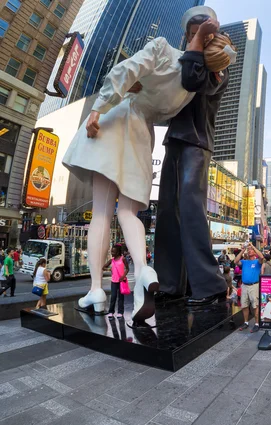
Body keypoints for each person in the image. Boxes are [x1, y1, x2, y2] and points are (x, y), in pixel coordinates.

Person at [62, 10, 218, 320]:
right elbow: (158, 106)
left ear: (188, 34)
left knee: (104, 212)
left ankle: (95, 289)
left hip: (117, 119)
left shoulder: (163, 47)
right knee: (128, 212)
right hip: (141, 134)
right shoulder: (190, 85)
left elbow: (127, 70)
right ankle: (145, 271)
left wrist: (99, 107)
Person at [153, 6, 233, 307]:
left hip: (197, 144)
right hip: (175, 141)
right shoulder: (183, 59)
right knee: (166, 213)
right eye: (192, 32)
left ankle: (210, 285)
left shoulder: (217, 67)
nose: (197, 36)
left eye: (204, 32)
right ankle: (171, 284)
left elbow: (192, 80)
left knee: (189, 207)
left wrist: (199, 42)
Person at [235, 244, 264, 332]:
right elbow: (236, 261)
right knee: (244, 305)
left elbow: (262, 257)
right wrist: (243, 250)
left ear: (255, 252)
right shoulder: (244, 262)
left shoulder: (257, 262)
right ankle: (246, 322)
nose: (250, 251)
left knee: (255, 305)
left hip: (254, 285)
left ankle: (256, 323)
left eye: (251, 250)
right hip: (244, 286)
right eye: (249, 250)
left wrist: (253, 246)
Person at [104, 245, 129, 319]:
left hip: (121, 281)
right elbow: (103, 267)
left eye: (113, 251)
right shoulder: (112, 260)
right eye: (111, 251)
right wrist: (110, 269)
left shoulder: (123, 259)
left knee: (121, 297)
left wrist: (123, 276)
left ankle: (120, 312)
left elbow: (127, 269)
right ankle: (111, 312)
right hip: (114, 281)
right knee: (113, 297)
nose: (112, 253)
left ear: (118, 252)